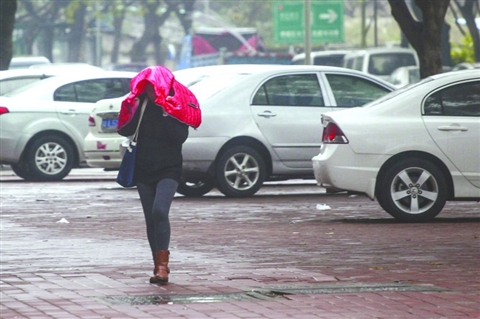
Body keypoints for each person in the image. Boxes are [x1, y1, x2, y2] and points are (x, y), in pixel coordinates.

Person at [117, 66, 200, 284]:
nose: (151, 92)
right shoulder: (142, 104)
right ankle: (157, 267)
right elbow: (124, 130)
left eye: (154, 87)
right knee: (150, 218)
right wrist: (129, 108)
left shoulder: (175, 105)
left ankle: (163, 265)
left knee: (159, 211)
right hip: (144, 169)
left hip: (169, 169)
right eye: (147, 88)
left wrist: (166, 111)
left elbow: (179, 137)